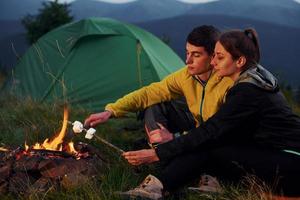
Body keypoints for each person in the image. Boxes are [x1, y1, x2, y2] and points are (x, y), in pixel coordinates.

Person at [121, 28, 300, 199]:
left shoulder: (247, 91)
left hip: (290, 164)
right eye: (213, 55)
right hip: (278, 156)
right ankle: (177, 183)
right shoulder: (254, 79)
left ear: (240, 61)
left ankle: (157, 187)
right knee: (211, 144)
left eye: (220, 57)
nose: (213, 63)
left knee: (208, 146)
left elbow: (211, 131)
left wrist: (158, 153)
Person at [84, 25, 233, 147]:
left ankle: (167, 149)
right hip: (195, 125)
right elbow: (149, 93)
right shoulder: (186, 76)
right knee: (154, 103)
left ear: (213, 56)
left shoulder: (228, 81)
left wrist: (176, 138)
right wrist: (111, 111)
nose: (188, 61)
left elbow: (217, 129)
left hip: (217, 138)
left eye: (196, 55)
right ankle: (157, 146)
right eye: (187, 53)